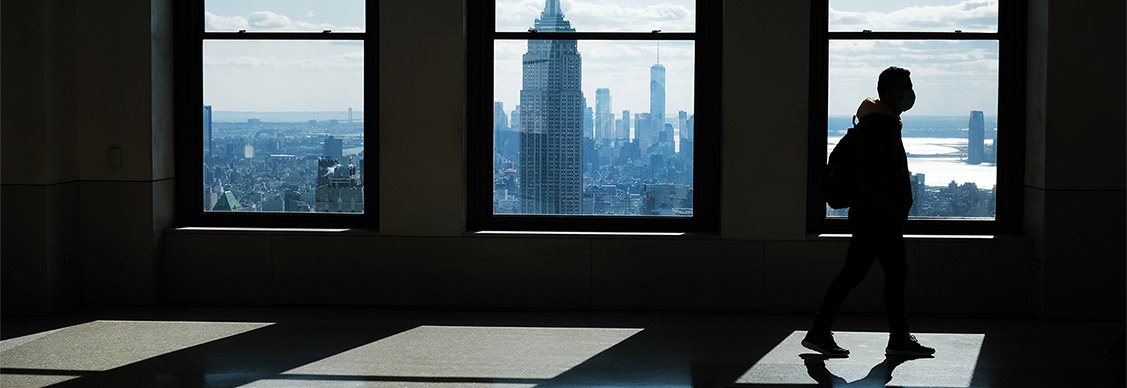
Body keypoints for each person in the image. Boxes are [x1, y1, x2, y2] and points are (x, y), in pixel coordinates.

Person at [802, 66, 935, 357]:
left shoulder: (882, 122)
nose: (910, 93)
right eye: (906, 87)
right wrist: (889, 207)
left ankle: (891, 336)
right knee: (867, 273)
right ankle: (822, 331)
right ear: (889, 92)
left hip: (876, 215)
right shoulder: (878, 126)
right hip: (878, 216)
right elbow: (870, 175)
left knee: (880, 272)